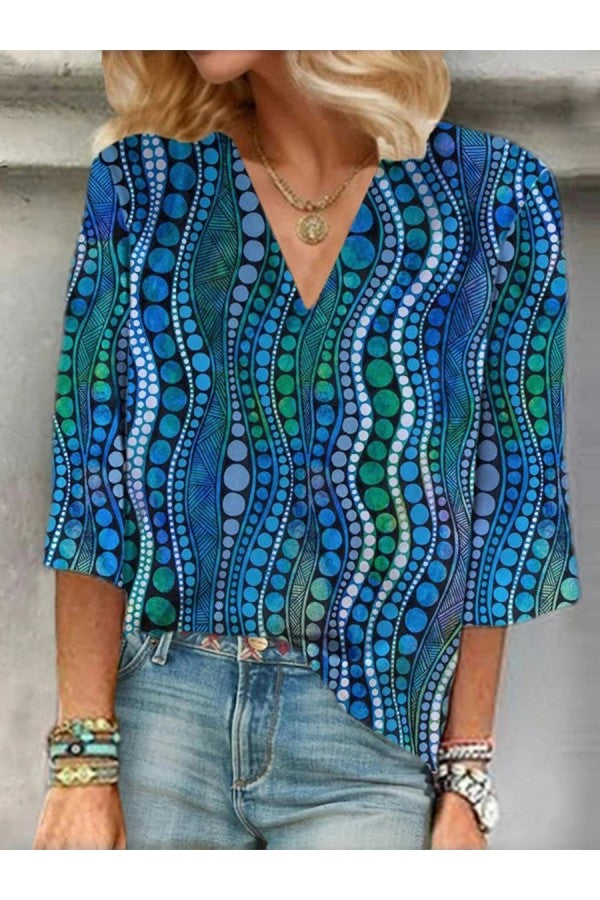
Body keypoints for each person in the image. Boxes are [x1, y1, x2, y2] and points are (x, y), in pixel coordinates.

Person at [34, 50, 581, 850]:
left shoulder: (492, 195)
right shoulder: (146, 186)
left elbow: (509, 502)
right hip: (165, 711)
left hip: (373, 730)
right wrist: (82, 763)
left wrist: (466, 780)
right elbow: (91, 484)